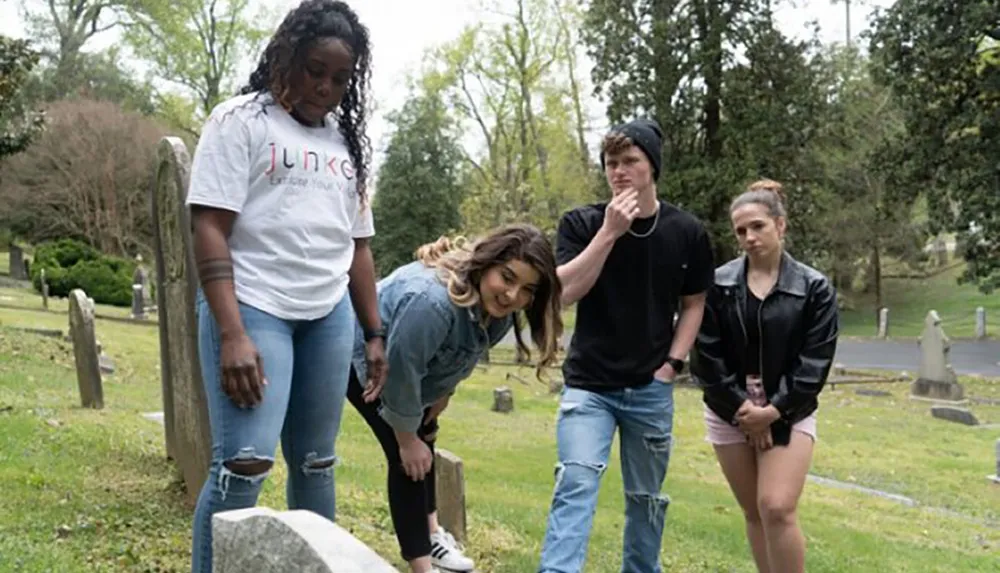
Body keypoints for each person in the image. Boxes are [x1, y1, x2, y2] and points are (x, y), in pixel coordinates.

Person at [184, 2, 386, 571]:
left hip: (326, 316)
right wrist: (232, 334)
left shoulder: (348, 144)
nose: (325, 87)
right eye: (314, 69)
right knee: (244, 463)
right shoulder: (241, 121)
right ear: (285, 57)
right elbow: (209, 226)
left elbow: (358, 247)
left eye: (340, 78)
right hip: (253, 306)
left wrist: (374, 332)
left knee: (318, 463)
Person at [537, 119, 715, 573]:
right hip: (589, 385)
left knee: (645, 500)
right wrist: (609, 233)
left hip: (651, 390)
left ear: (652, 166)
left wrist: (673, 364)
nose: (619, 171)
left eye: (630, 161)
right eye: (611, 163)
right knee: (575, 481)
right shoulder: (581, 223)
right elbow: (565, 291)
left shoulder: (687, 232)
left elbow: (694, 303)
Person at [348, 224, 563, 573]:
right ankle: (422, 565)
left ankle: (431, 534)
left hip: (407, 367)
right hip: (362, 356)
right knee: (407, 458)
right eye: (507, 278)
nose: (512, 295)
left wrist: (442, 396)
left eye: (527, 289)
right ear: (486, 264)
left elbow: (463, 354)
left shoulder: (498, 313)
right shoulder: (431, 303)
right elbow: (401, 373)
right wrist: (406, 437)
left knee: (424, 442)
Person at [689, 179, 839, 573]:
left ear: (780, 225)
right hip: (728, 410)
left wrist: (771, 412)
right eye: (741, 231)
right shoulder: (718, 285)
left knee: (776, 506)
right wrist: (742, 409)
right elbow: (706, 357)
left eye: (758, 226)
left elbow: (814, 363)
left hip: (789, 408)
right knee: (755, 512)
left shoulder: (814, 288)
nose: (749, 237)